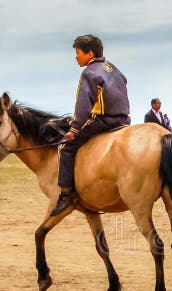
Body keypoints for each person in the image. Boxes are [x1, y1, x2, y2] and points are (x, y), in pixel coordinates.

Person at [51, 34, 131, 217]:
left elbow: (84, 105)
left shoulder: (89, 72)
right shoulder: (115, 70)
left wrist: (74, 129)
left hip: (102, 121)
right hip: (123, 120)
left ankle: (66, 194)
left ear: (90, 53)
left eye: (78, 52)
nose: (76, 57)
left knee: (66, 147)